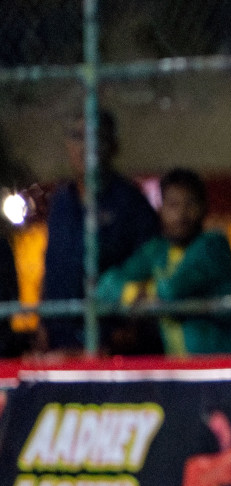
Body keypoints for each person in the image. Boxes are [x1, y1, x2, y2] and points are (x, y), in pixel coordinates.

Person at [96, 169, 231, 357]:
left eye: (190, 204)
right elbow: (104, 287)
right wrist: (134, 293)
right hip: (185, 371)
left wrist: (140, 297)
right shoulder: (157, 251)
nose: (181, 215)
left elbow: (171, 291)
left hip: (230, 366)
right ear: (161, 209)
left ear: (204, 207)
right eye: (173, 205)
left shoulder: (213, 246)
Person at [39, 111, 160, 354]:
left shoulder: (131, 203)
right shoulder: (62, 202)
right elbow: (52, 270)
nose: (86, 147)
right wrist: (43, 326)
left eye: (96, 137)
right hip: (60, 344)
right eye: (77, 136)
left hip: (112, 348)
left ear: (113, 147)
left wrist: (127, 332)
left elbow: (153, 271)